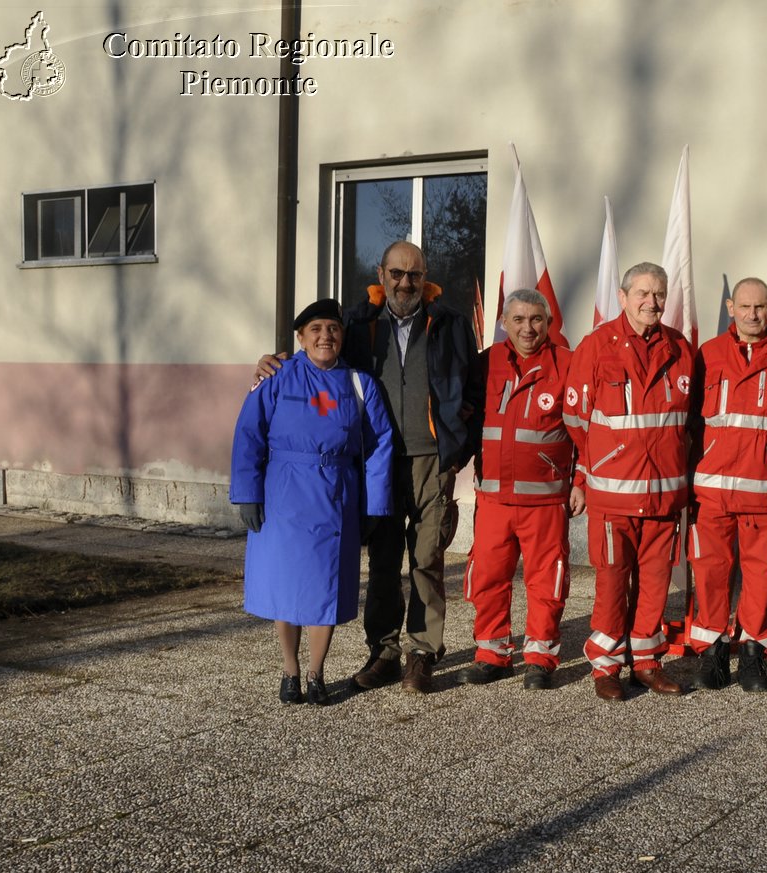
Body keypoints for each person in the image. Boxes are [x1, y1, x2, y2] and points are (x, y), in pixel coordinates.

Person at [256, 241, 482, 695]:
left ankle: (422, 653)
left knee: (427, 560)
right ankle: (383, 652)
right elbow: (322, 358)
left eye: (414, 274)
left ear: (426, 277)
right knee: (382, 562)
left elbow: (473, 388)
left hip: (430, 460)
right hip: (374, 461)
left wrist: (460, 449)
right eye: (396, 273)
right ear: (382, 274)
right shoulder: (359, 323)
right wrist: (273, 363)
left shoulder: (452, 323)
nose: (405, 282)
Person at [231, 298, 396, 705]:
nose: (326, 336)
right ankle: (289, 672)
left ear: (342, 337)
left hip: (335, 494)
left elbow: (379, 449)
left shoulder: (361, 385)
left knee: (327, 589)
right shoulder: (275, 377)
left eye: (333, 329)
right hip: (283, 494)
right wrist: (247, 493)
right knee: (286, 587)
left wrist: (375, 506)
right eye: (316, 329)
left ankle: (317, 672)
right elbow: (248, 434)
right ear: (301, 337)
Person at [564, 262, 700, 701]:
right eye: (643, 293)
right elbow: (575, 418)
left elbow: (690, 422)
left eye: (659, 294)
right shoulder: (597, 346)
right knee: (611, 582)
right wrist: (593, 466)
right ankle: (605, 666)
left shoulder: (680, 348)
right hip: (613, 494)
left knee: (656, 581)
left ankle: (646, 662)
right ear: (623, 297)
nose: (652, 302)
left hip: (663, 494)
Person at [688, 277, 767, 692]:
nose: (752, 315)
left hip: (765, 492)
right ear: (730, 307)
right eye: (745, 307)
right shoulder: (707, 355)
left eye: (760, 307)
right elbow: (687, 424)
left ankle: (755, 652)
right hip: (712, 491)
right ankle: (713, 651)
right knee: (710, 571)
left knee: (760, 575)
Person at [463, 289, 582, 691]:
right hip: (493, 498)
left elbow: (586, 431)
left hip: (545, 499)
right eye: (518, 320)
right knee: (487, 577)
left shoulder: (567, 364)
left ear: (548, 324)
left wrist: (579, 481)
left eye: (536, 320)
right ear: (503, 323)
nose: (527, 328)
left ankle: (540, 656)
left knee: (546, 580)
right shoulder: (486, 363)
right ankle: (492, 654)